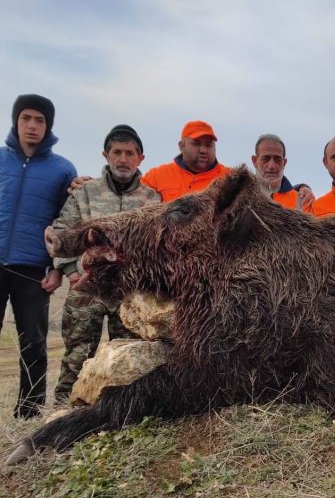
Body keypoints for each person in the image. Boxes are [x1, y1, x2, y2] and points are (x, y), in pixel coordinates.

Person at [51, 125, 160, 404]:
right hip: (86, 290)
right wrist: (71, 271)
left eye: (129, 153)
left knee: (128, 356)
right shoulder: (83, 194)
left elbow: (158, 246)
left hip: (129, 294)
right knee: (77, 355)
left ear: (140, 158)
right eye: (117, 152)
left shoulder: (152, 200)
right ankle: (63, 410)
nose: (123, 159)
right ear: (105, 155)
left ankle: (117, 413)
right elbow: (62, 232)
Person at [0, 94, 76, 418]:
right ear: (16, 121)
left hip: (33, 270)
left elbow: (65, 225)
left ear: (49, 126)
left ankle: (28, 414)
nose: (32, 126)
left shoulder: (63, 170)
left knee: (33, 343)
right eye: (26, 118)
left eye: (40, 120)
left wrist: (57, 269)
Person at [142, 120, 228, 202]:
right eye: (196, 144)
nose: (203, 150)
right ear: (181, 146)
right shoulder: (155, 177)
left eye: (208, 145)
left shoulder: (231, 178)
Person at [251, 133, 313, 211]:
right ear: (254, 161)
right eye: (266, 158)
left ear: (284, 163)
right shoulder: (239, 196)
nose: (271, 166)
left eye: (277, 159)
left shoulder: (303, 201)